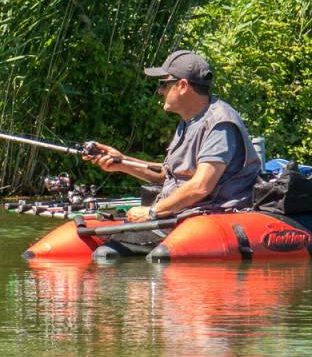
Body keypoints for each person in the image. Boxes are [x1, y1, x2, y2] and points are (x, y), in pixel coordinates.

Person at [85, 50, 261, 259]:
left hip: (209, 217)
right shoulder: (189, 120)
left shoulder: (220, 123)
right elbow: (169, 175)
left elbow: (200, 185)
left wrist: (151, 212)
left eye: (163, 84)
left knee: (108, 254)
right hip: (181, 214)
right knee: (105, 252)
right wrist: (122, 162)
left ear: (183, 86)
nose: (160, 91)